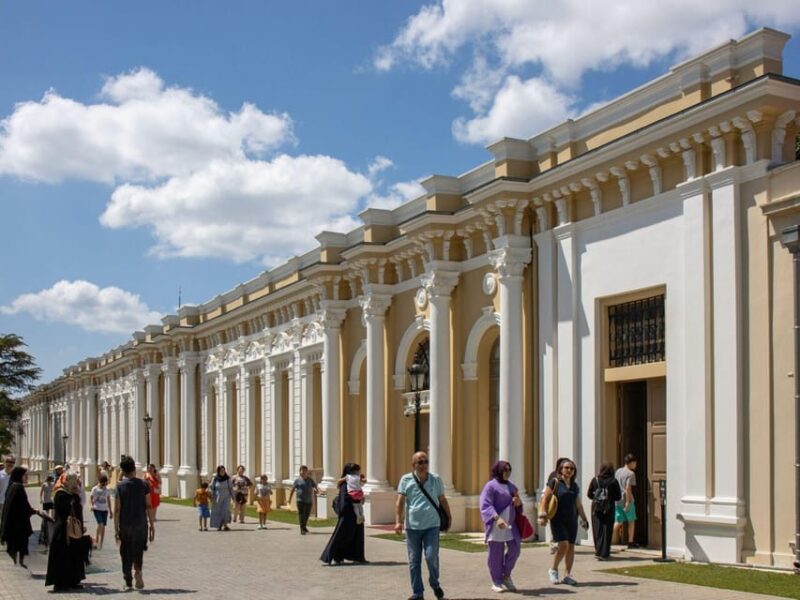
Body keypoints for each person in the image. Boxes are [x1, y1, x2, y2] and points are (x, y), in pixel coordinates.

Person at [395, 451, 450, 600]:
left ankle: (434, 583)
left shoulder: (435, 479)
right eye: (420, 462)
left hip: (432, 525)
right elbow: (400, 502)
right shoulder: (405, 480)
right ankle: (418, 592)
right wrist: (398, 521)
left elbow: (442, 499)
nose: (424, 465)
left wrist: (449, 516)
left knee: (431, 556)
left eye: (426, 462)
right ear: (413, 465)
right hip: (412, 527)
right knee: (414, 561)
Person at [538, 458, 589, 586]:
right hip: (558, 519)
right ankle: (553, 569)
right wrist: (542, 515)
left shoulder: (574, 485)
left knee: (571, 546)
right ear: (560, 469)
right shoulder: (554, 482)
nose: (569, 470)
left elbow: (578, 504)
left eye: (572, 468)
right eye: (566, 468)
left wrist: (584, 518)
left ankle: (567, 575)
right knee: (564, 545)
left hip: (571, 519)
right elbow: (545, 499)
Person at [479, 461, 524, 593]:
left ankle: (506, 575)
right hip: (496, 525)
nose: (507, 473)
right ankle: (496, 581)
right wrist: (497, 518)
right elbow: (485, 505)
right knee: (495, 555)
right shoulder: (490, 486)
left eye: (509, 470)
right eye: (505, 470)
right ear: (498, 470)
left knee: (515, 549)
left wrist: (519, 503)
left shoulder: (512, 487)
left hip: (511, 525)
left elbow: (519, 506)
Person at [114, 455, 155, 590]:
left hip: (125, 523)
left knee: (125, 551)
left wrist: (116, 530)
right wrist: (152, 524)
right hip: (140, 523)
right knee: (138, 550)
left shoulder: (120, 486)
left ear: (123, 471)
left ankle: (128, 580)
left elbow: (117, 509)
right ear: (134, 468)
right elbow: (149, 505)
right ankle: (138, 570)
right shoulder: (144, 484)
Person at [46, 470, 89, 591]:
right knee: (62, 556)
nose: (77, 483)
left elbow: (79, 510)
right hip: (63, 531)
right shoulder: (61, 494)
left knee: (74, 555)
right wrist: (72, 498)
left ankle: (73, 580)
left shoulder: (74, 494)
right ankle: (60, 583)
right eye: (75, 480)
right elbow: (63, 512)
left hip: (74, 531)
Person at [0, 466, 51, 567]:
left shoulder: (12, 485)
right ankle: (20, 561)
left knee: (16, 540)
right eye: (25, 475)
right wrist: (34, 511)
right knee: (22, 539)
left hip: (13, 519)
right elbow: (24, 504)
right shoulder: (18, 487)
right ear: (20, 475)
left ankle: (17, 558)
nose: (26, 477)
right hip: (18, 521)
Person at [320, 463, 367, 565]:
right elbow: (344, 498)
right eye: (355, 471)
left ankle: (358, 557)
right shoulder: (344, 484)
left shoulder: (355, 482)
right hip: (348, 514)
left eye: (357, 471)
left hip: (357, 513)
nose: (357, 473)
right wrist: (347, 508)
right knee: (344, 536)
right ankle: (337, 556)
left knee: (357, 536)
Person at [587, 462, 622, 560]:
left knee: (597, 529)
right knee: (607, 529)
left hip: (596, 508)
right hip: (609, 507)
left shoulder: (595, 480)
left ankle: (598, 551)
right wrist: (609, 498)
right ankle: (605, 552)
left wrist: (597, 498)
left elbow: (589, 494)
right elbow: (618, 496)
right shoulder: (613, 481)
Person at [613, 454, 639, 548]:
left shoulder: (618, 471)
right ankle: (630, 541)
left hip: (618, 498)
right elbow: (628, 488)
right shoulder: (631, 474)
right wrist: (628, 502)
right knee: (631, 520)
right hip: (627, 498)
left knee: (618, 521)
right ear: (631, 463)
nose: (635, 465)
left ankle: (607, 539)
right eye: (635, 463)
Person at [288, 465, 318, 534]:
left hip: (309, 500)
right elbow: (292, 490)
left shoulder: (310, 480)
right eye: (302, 470)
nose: (304, 472)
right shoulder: (297, 480)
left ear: (307, 472)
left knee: (307, 515)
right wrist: (289, 499)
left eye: (305, 471)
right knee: (301, 514)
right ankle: (302, 529)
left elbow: (315, 486)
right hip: (300, 500)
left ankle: (304, 527)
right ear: (300, 472)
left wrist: (317, 491)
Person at [90, 474, 113, 549]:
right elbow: (91, 497)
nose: (105, 485)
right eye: (104, 483)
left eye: (106, 483)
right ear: (100, 482)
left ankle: (101, 542)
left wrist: (110, 511)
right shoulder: (95, 489)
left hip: (104, 510)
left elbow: (109, 500)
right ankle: (96, 539)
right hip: (97, 509)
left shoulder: (107, 489)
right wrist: (91, 505)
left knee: (103, 527)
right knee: (100, 524)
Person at [210, 465, 233, 531]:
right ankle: (219, 525)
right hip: (217, 497)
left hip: (226, 497)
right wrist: (211, 496)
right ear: (218, 471)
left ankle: (225, 524)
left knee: (225, 511)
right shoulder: (215, 478)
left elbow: (231, 488)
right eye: (221, 471)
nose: (222, 472)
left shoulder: (228, 478)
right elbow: (212, 487)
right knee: (218, 511)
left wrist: (233, 498)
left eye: (223, 470)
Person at [39, 474, 55, 550]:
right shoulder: (44, 484)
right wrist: (40, 499)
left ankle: (52, 519)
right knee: (47, 511)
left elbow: (54, 490)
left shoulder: (52, 484)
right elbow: (41, 492)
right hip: (46, 500)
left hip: (51, 500)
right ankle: (47, 519)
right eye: (49, 478)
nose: (50, 479)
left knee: (53, 510)